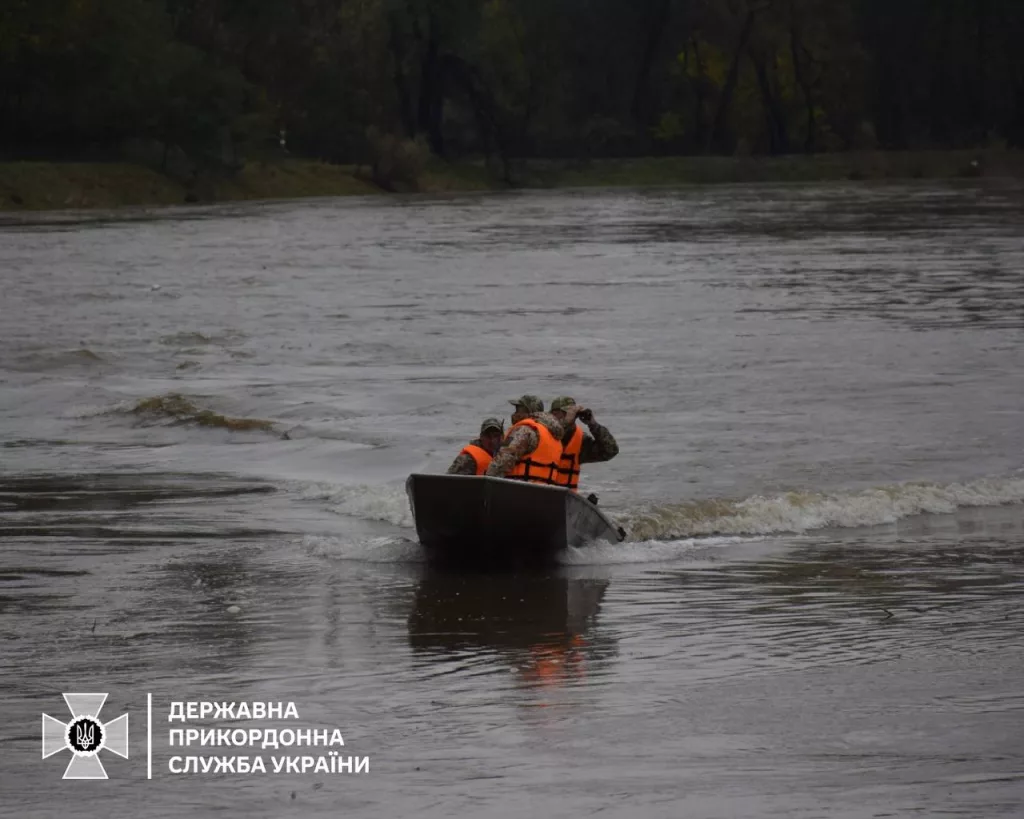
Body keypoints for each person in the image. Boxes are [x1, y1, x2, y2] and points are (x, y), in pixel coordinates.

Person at [484, 395, 564, 484]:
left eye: (518, 410)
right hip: (546, 492)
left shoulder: (525, 430)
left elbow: (503, 461)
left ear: (528, 411)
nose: (514, 414)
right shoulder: (554, 435)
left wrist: (487, 481)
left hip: (521, 490)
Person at [549, 396, 619, 491]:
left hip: (563, 497)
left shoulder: (579, 440)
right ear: (553, 414)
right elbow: (555, 436)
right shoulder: (544, 432)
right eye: (565, 413)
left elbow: (610, 451)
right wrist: (565, 423)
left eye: (573, 414)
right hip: (540, 490)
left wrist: (593, 424)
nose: (571, 417)